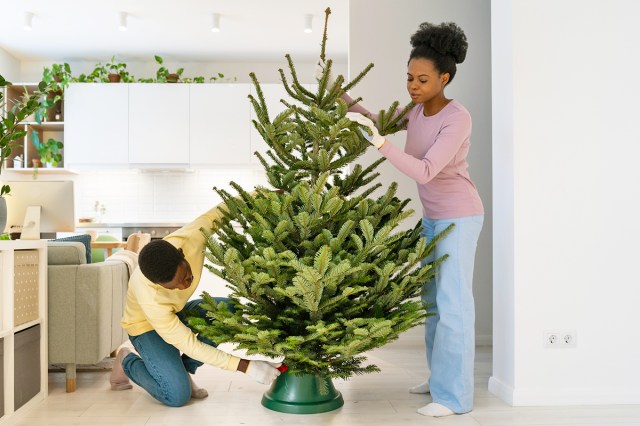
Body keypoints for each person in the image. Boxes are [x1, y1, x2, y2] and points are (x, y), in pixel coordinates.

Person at [315, 22, 483, 417]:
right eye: (409, 77)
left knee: (454, 305)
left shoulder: (457, 118)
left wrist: (380, 144)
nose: (413, 85)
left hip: (460, 217)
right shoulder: (417, 109)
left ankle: (455, 398)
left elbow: (425, 170)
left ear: (444, 77)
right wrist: (344, 97)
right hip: (433, 218)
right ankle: (438, 378)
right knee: (432, 304)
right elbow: (380, 120)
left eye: (422, 79)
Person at [109, 201, 282, 407]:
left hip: (176, 314)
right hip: (145, 328)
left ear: (182, 254)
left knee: (228, 310)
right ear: (158, 285)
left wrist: (264, 195)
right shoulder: (151, 297)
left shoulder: (191, 237)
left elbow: (223, 210)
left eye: (186, 276)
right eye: (175, 286)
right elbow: (189, 344)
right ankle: (126, 359)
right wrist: (246, 366)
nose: (184, 286)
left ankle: (182, 370)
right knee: (176, 396)